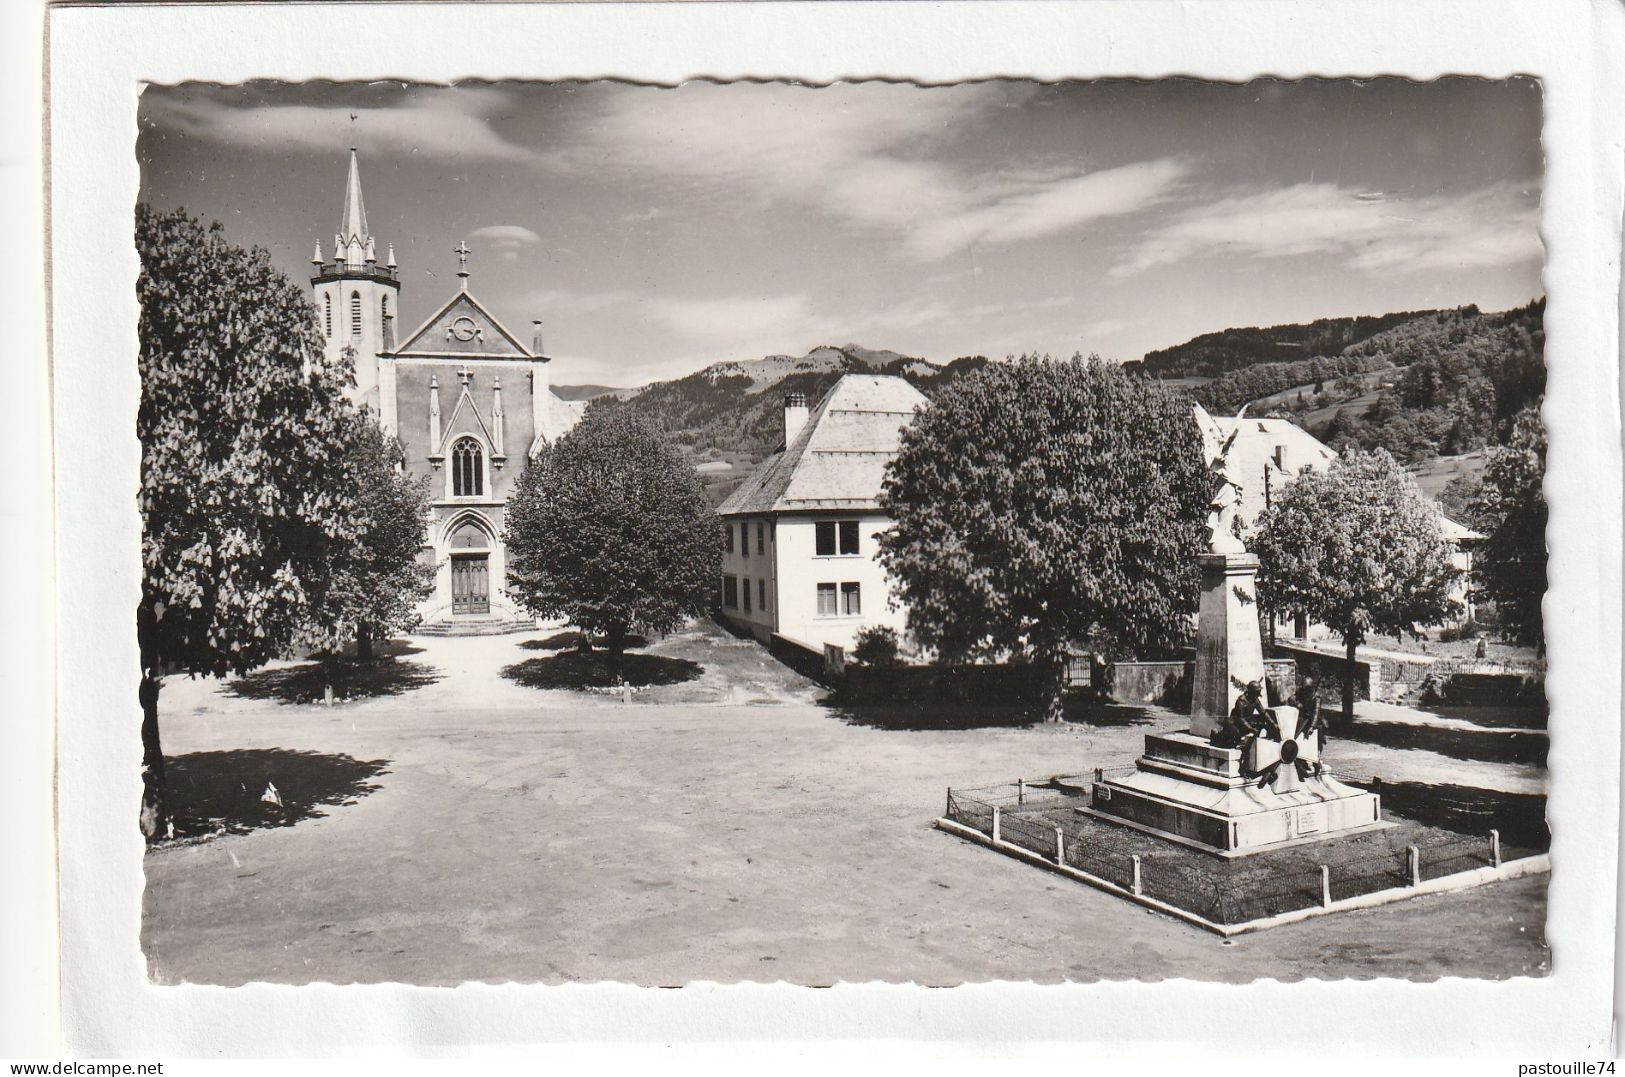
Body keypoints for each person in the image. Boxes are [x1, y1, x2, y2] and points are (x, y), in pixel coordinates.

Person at [1293, 678, 1326, 777]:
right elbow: (1291, 698)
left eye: (1307, 688)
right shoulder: (1302, 693)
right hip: (1304, 721)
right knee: (1300, 740)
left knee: (1316, 744)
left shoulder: (1316, 698)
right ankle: (1302, 763)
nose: (1305, 690)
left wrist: (1312, 726)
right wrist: (1297, 703)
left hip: (1315, 723)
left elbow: (1316, 713)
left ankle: (1316, 763)